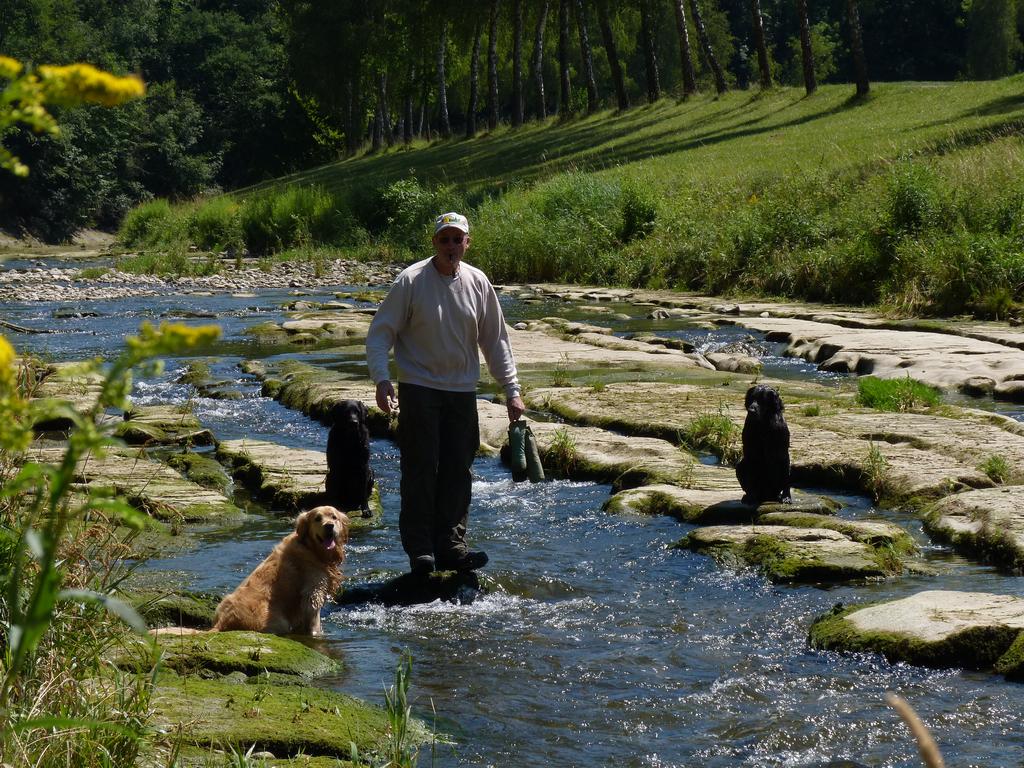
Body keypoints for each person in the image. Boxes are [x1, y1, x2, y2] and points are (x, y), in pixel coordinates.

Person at [366, 211, 526, 575]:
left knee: (458, 470)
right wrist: (381, 379)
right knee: (420, 470)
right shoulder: (411, 280)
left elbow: (495, 340)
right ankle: (421, 551)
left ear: (467, 243)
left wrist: (511, 390)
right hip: (419, 388)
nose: (451, 246)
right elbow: (380, 334)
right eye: (445, 240)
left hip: (461, 391)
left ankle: (452, 547)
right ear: (434, 243)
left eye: (458, 240)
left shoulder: (478, 282)